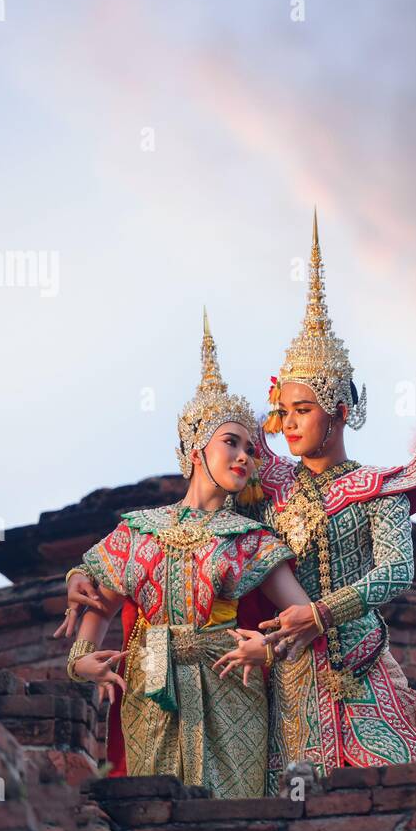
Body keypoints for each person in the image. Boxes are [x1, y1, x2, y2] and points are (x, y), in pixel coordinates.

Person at [57, 311, 315, 798]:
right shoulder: (139, 532)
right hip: (151, 691)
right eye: (231, 443)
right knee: (158, 809)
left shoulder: (250, 540)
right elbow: (99, 608)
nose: (245, 457)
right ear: (196, 449)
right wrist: (81, 662)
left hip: (232, 688)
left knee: (233, 817)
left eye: (252, 450)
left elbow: (300, 618)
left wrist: (270, 649)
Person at [251, 211, 416, 781]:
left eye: (302, 410)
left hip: (358, 659)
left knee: (394, 782)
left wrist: (323, 613)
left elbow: (396, 570)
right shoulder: (269, 486)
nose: (289, 423)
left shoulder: (377, 487)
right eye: (283, 412)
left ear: (340, 411)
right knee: (295, 795)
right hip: (289, 666)